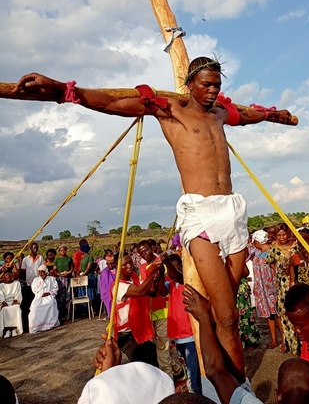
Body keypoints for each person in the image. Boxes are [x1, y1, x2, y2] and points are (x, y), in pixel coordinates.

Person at [13, 57, 293, 381]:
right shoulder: (169, 110)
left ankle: (229, 380)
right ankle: (234, 389)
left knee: (226, 313)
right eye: (207, 84)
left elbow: (245, 115)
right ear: (190, 84)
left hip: (232, 210)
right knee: (228, 316)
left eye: (218, 84)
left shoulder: (219, 113)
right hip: (199, 213)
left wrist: (272, 115)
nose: (214, 90)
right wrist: (64, 90)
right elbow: (114, 102)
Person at [137, 241, 183, 381]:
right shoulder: (143, 267)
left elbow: (163, 292)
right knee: (164, 349)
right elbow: (148, 291)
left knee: (162, 351)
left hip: (164, 311)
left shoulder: (162, 262)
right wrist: (153, 280)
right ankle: (179, 371)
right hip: (150, 314)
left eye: (146, 250)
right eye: (141, 252)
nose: (144, 254)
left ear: (152, 248)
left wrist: (160, 277)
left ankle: (168, 383)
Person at [162, 253, 202, 394]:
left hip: (190, 333)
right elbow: (161, 291)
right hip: (178, 334)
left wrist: (167, 263)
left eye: (176, 267)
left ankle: (196, 394)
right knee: (186, 366)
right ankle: (194, 390)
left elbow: (179, 276)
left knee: (193, 369)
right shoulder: (170, 281)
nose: (173, 272)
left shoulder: (187, 279)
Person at [266, 224, 298, 354]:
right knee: (283, 313)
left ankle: (298, 343)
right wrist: (279, 271)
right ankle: (286, 341)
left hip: (294, 282)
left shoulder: (295, 246)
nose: (282, 237)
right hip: (281, 284)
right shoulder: (274, 247)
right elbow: (270, 262)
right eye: (279, 235)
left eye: (283, 234)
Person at [250, 230, 278, 349]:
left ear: (257, 241)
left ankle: (284, 340)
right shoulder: (256, 252)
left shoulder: (272, 251)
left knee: (278, 314)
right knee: (269, 315)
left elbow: (276, 269)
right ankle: (274, 339)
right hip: (262, 289)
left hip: (272, 287)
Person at [20, 242, 44, 332]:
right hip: (29, 284)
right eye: (33, 248)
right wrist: (24, 283)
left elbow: (42, 269)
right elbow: (22, 272)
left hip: (38, 284)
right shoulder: (26, 259)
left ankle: (39, 323)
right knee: (28, 305)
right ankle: (27, 324)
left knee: (38, 304)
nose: (34, 250)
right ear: (30, 249)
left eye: (36, 248)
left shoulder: (40, 258)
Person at [28, 264, 59, 333]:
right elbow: (34, 290)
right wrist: (41, 282)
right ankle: (37, 326)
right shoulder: (36, 280)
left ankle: (50, 323)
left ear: (46, 272)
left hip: (48, 296)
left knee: (50, 303)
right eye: (39, 272)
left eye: (42, 272)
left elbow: (55, 288)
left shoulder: (51, 279)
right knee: (34, 307)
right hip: (38, 297)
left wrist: (49, 293)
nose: (41, 273)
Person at [52, 245, 74, 319]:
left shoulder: (69, 258)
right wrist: (59, 274)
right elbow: (54, 269)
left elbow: (72, 267)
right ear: (59, 251)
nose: (63, 252)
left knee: (68, 295)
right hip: (60, 279)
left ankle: (69, 313)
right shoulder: (57, 260)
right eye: (61, 250)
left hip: (68, 278)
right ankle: (62, 314)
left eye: (64, 250)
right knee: (61, 297)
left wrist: (69, 272)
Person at [0, 271, 23, 338]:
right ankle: (7, 330)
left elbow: (18, 293)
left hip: (13, 301)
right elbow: (0, 295)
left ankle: (14, 329)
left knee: (16, 308)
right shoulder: (1, 285)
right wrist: (3, 302)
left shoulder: (17, 283)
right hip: (5, 302)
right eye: (7, 275)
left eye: (10, 275)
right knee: (4, 309)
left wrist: (16, 300)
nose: (9, 277)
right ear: (4, 277)